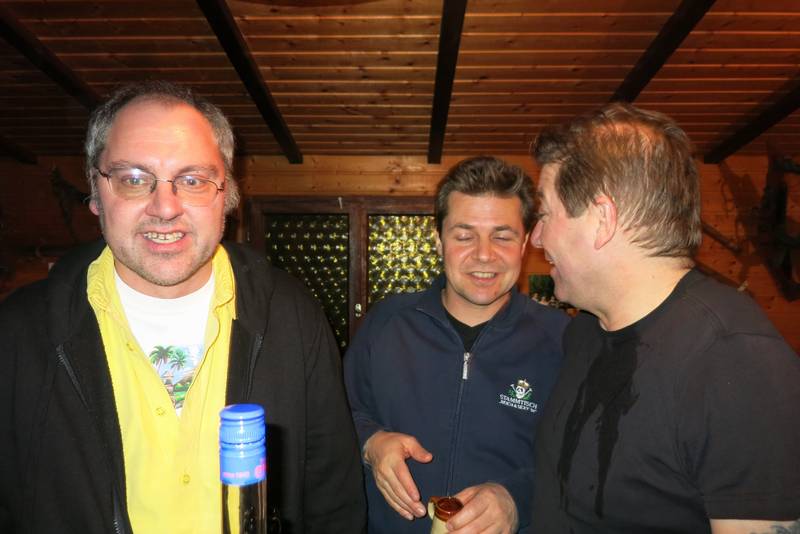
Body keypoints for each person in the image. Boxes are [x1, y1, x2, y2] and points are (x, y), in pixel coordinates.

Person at [0, 81, 366, 534]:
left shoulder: (294, 316)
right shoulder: (17, 333)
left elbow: (333, 501)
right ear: (96, 191)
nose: (165, 208)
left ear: (226, 194)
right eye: (134, 179)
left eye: (192, 180)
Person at [529, 102, 800, 533]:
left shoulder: (736, 361)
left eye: (544, 214)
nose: (536, 238)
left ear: (602, 219)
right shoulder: (584, 333)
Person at [344, 156, 569, 533]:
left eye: (502, 236)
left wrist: (517, 498)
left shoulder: (563, 340)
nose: (484, 254)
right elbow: (337, 416)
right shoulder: (386, 323)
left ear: (524, 243)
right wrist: (372, 442)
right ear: (438, 240)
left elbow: (582, 463)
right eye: (464, 236)